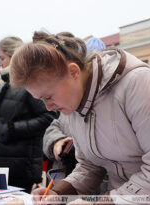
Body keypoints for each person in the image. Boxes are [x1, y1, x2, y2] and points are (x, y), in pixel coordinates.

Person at [9, 31, 150, 204]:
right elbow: (90, 165)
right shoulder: (75, 105)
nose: (48, 107)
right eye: (41, 100)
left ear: (74, 72)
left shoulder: (139, 86)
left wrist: (105, 202)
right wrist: (59, 193)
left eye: (49, 96)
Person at [0, 36, 58, 193]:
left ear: (14, 56)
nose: (0, 64)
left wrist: (14, 129)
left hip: (17, 167)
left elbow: (49, 116)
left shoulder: (29, 83)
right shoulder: (3, 85)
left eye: (2, 58)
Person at [43, 35, 106, 185]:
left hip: (94, 188)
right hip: (66, 180)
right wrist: (57, 142)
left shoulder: (109, 104)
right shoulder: (70, 101)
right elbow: (53, 126)